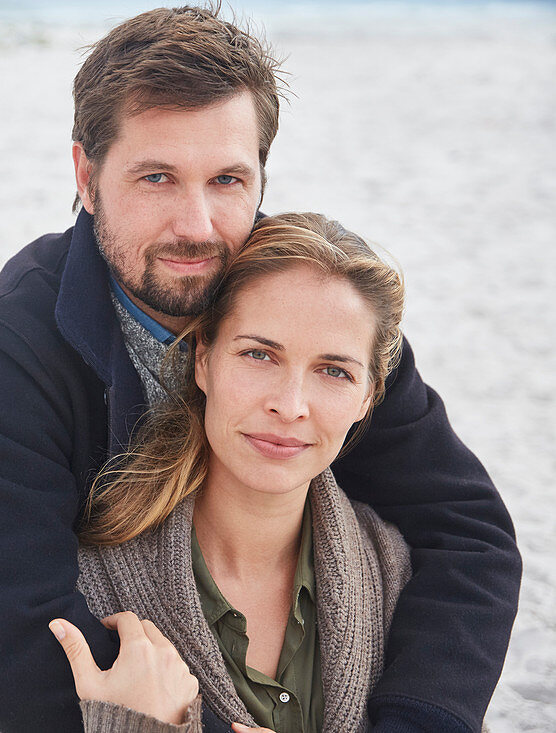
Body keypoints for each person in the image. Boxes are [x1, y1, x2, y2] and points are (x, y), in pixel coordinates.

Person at [0, 6, 520, 732]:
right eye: (157, 177)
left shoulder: (315, 312)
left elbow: (468, 534)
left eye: (228, 180)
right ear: (87, 175)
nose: (198, 225)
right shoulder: (8, 345)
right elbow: (15, 633)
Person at [50, 212, 414, 732]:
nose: (290, 407)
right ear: (203, 360)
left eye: (334, 371)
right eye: (259, 355)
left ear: (368, 397)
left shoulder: (399, 580)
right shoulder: (85, 589)